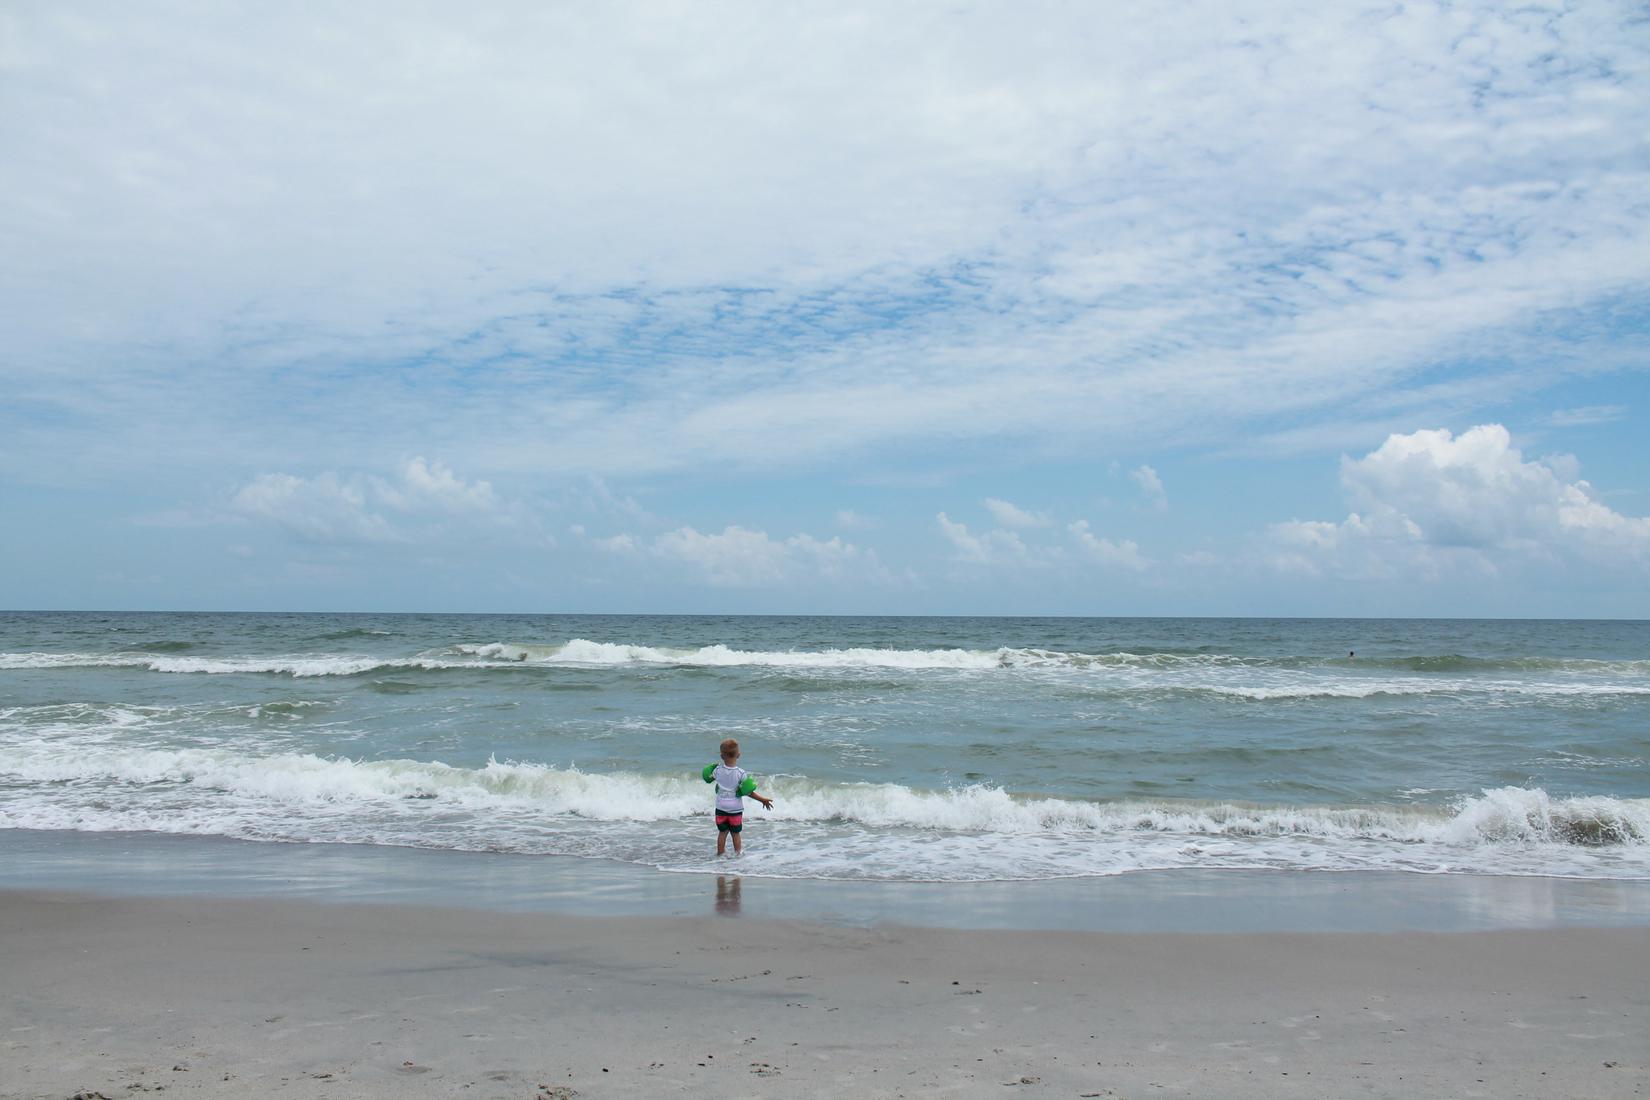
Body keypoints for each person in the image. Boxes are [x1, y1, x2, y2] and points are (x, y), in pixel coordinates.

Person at [703, 737, 773, 856]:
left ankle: (720, 854)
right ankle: (738, 855)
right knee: (735, 834)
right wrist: (762, 800)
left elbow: (709, 777)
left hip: (720, 808)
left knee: (722, 833)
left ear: (721, 756)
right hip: (735, 809)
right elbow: (748, 792)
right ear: (738, 755)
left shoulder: (717, 771)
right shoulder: (741, 773)